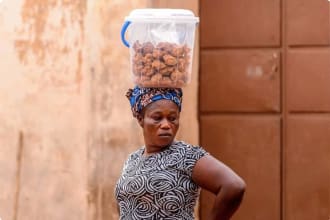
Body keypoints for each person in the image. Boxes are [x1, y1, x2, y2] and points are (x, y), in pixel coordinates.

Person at [115, 86, 246, 220]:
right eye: (157, 118)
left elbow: (234, 186)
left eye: (172, 118)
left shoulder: (186, 155)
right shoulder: (133, 158)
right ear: (140, 119)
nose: (166, 125)